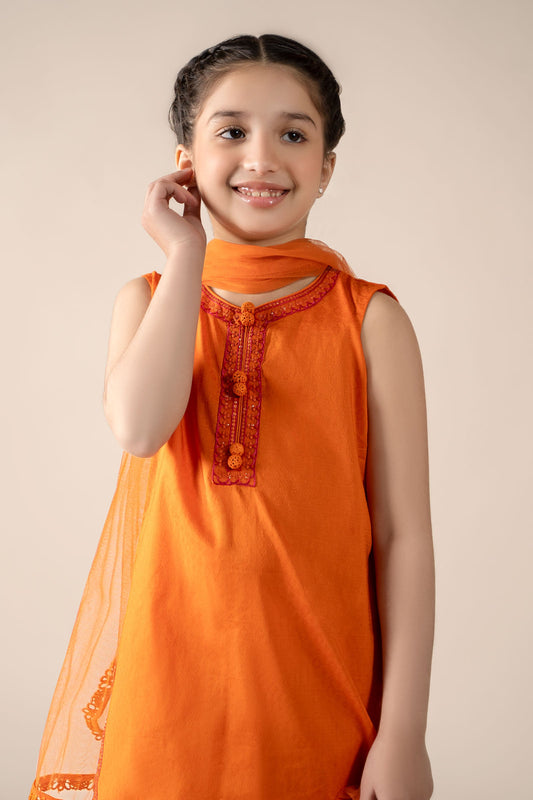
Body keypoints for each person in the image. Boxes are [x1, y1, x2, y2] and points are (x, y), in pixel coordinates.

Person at [29, 33, 435, 800]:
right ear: (185, 159)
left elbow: (402, 537)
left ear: (327, 167)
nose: (261, 158)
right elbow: (140, 427)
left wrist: (403, 730)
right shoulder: (148, 300)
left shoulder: (369, 320)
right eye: (232, 131)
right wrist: (186, 254)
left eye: (293, 135)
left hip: (317, 692)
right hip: (163, 694)